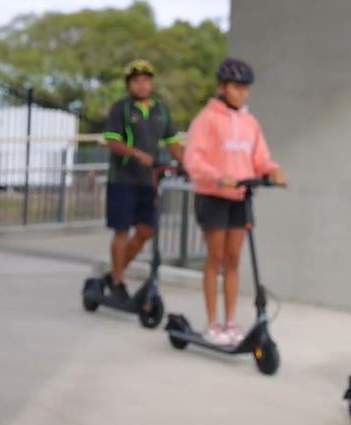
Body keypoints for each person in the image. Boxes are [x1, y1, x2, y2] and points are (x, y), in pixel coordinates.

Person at [181, 58, 285, 345]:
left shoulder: (250, 122)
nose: (241, 93)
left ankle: (230, 321)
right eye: (235, 87)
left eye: (244, 88)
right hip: (213, 196)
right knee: (215, 259)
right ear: (222, 88)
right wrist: (218, 176)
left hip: (241, 197)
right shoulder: (206, 119)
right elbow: (194, 160)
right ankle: (212, 323)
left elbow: (260, 156)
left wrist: (272, 170)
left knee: (233, 260)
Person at [101, 60, 184, 302]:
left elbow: (172, 142)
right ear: (129, 84)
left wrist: (184, 163)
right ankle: (117, 282)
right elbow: (112, 141)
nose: (142, 84)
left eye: (146, 80)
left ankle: (115, 271)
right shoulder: (122, 108)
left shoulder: (161, 110)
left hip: (149, 181)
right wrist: (136, 154)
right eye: (137, 80)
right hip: (123, 179)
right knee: (121, 231)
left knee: (146, 230)